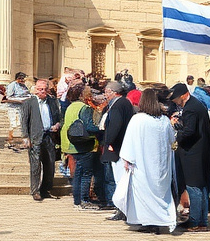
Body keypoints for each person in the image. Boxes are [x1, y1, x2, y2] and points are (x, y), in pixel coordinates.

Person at [112, 89, 176, 234]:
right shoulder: (164, 120)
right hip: (161, 166)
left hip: (143, 164)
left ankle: (149, 222)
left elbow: (129, 140)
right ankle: (159, 220)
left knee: (144, 194)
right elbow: (172, 139)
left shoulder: (138, 119)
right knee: (160, 193)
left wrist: (127, 158)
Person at [167, 82, 210, 232]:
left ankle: (195, 222)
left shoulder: (191, 109)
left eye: (175, 98)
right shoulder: (195, 105)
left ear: (183, 95)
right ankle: (202, 221)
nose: (174, 101)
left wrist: (176, 134)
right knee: (201, 186)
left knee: (194, 187)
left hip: (193, 153)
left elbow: (189, 132)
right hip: (200, 152)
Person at [61, 83, 103, 210]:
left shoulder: (71, 106)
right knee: (86, 173)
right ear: (82, 95)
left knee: (78, 173)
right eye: (88, 92)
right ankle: (84, 200)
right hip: (85, 143)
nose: (90, 95)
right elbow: (90, 126)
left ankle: (77, 200)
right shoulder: (84, 108)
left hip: (71, 143)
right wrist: (101, 127)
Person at [20, 79, 62, 200]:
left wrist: (57, 124)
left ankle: (46, 189)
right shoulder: (29, 103)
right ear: (35, 90)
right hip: (35, 137)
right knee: (35, 165)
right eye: (40, 89)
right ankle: (35, 191)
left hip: (49, 136)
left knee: (50, 165)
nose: (42, 91)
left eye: (44, 89)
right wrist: (25, 137)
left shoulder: (53, 102)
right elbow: (24, 122)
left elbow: (58, 117)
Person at [99, 81, 133, 213]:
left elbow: (115, 125)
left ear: (113, 92)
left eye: (107, 92)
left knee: (119, 178)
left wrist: (109, 141)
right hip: (119, 145)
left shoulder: (118, 105)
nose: (105, 95)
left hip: (117, 147)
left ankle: (121, 209)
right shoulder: (121, 103)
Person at [4, 72, 30, 149]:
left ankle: (21, 140)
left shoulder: (24, 86)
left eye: (23, 79)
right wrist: (19, 101)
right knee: (13, 123)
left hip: (22, 107)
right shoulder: (12, 85)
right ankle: (10, 139)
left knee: (21, 123)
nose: (22, 80)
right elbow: (8, 97)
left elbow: (27, 94)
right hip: (13, 107)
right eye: (20, 78)